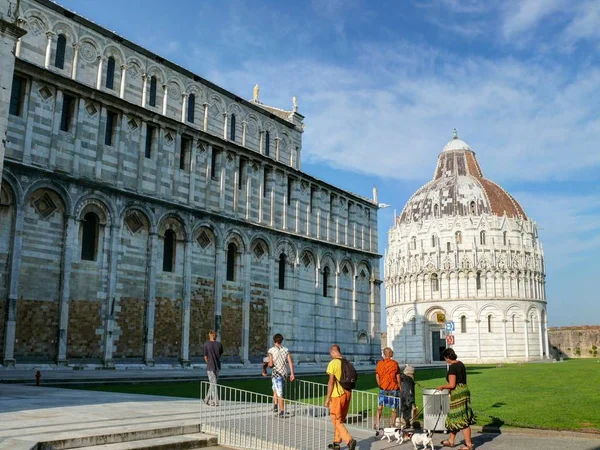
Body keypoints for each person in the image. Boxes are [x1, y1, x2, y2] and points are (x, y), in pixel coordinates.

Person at [437, 348, 476, 450]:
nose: (446, 360)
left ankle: (468, 445)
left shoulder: (452, 367)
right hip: (464, 390)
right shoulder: (460, 364)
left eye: (445, 358)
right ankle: (451, 440)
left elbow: (452, 384)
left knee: (462, 419)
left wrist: (442, 387)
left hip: (458, 393)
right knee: (455, 417)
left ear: (448, 357)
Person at [325, 344, 357, 450]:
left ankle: (349, 440)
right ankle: (336, 443)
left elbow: (331, 381)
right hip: (347, 393)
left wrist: (327, 397)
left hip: (337, 395)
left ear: (333, 352)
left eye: (331, 353)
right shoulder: (346, 362)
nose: (331, 355)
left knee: (336, 419)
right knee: (340, 420)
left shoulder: (333, 363)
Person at [267, 333, 295, 417]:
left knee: (279, 393)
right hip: (284, 374)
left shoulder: (271, 350)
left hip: (276, 374)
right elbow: (290, 362)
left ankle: (282, 411)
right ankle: (275, 405)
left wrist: (267, 363)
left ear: (274, 341)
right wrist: (292, 374)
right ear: (281, 341)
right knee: (275, 388)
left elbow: (271, 364)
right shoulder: (286, 350)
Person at [374, 347, 401, 432]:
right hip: (393, 388)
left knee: (380, 406)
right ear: (389, 353)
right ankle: (392, 425)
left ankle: (377, 424)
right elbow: (398, 377)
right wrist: (400, 387)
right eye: (391, 352)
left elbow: (377, 376)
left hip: (383, 388)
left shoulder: (379, 364)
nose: (393, 353)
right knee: (393, 408)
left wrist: (380, 385)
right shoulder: (395, 364)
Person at [203, 330, 223, 406]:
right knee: (213, 383)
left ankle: (215, 401)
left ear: (209, 336)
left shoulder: (206, 345)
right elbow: (220, 353)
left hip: (210, 367)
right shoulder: (219, 344)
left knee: (213, 384)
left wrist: (208, 363)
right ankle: (206, 399)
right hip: (217, 366)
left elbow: (205, 356)